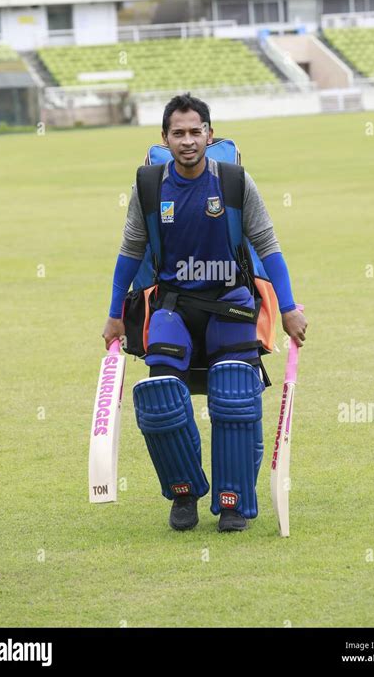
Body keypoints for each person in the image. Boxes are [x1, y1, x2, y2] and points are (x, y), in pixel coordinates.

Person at [102, 93, 307, 533]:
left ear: (210, 136)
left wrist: (288, 309)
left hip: (231, 302)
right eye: (179, 133)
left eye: (196, 132)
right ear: (165, 138)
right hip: (173, 304)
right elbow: (128, 253)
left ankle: (233, 500)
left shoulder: (234, 182)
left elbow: (269, 246)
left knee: (236, 393)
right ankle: (184, 494)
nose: (188, 141)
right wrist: (115, 314)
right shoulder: (150, 186)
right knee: (159, 395)